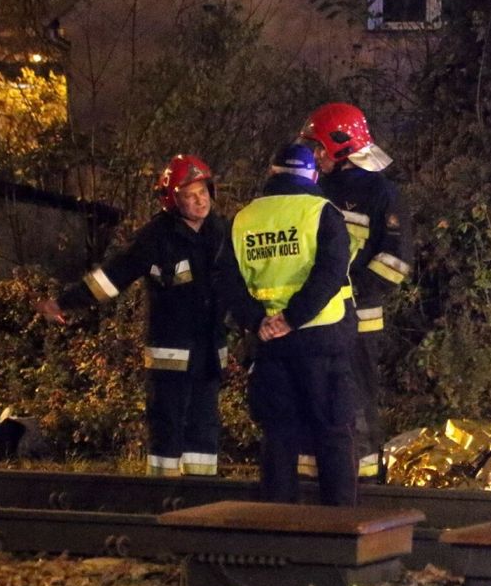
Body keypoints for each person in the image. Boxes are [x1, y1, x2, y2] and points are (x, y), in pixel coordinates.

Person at [35, 154, 253, 478]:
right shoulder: (155, 237)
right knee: (167, 422)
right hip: (170, 351)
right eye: (189, 195)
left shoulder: (222, 232)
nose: (199, 200)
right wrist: (65, 302)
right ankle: (162, 492)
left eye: (203, 192)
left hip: (209, 350)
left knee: (205, 424)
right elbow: (112, 277)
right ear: (172, 199)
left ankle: (203, 491)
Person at [229, 143, 358, 505]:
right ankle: (341, 528)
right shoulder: (322, 212)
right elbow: (331, 273)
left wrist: (259, 321)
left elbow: (227, 283)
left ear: (272, 173)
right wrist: (294, 317)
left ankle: (279, 530)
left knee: (278, 437)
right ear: (313, 176)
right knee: (332, 434)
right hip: (321, 341)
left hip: (270, 345)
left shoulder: (243, 219)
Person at [299, 102, 413, 484]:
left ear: (341, 145)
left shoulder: (382, 193)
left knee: (358, 400)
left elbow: (395, 263)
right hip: (317, 316)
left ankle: (362, 483)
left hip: (360, 319)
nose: (314, 155)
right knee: (313, 397)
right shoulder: (314, 188)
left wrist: (348, 288)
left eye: (319, 147)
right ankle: (312, 486)